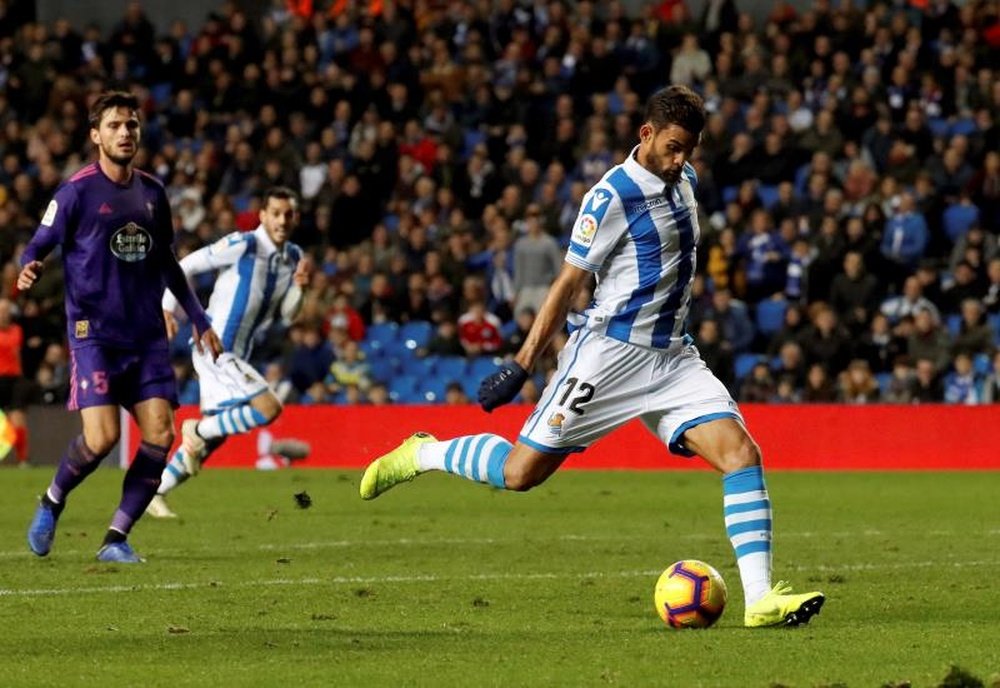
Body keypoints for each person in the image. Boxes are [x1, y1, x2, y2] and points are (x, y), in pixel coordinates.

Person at [359, 86, 824, 628]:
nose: (681, 161)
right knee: (519, 473)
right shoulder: (610, 198)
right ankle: (424, 454)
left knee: (742, 454)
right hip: (607, 359)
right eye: (673, 147)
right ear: (645, 134)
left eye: (689, 150)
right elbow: (568, 282)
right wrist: (523, 362)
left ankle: (761, 599)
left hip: (673, 359)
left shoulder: (686, 180)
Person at [19, 91, 222, 563]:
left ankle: (115, 538)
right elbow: (40, 242)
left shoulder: (152, 192)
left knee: (160, 434)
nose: (125, 133)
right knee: (102, 438)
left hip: (147, 333)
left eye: (131, 125)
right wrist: (30, 265)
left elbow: (168, 262)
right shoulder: (76, 193)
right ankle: (52, 500)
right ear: (96, 136)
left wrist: (200, 319)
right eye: (114, 126)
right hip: (96, 336)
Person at [146, 187, 310, 519]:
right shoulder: (244, 244)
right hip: (216, 345)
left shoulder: (292, 256)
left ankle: (155, 490)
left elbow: (289, 315)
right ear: (262, 215)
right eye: (275, 213)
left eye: (288, 214)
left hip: (238, 353)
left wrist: (299, 288)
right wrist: (166, 307)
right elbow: (188, 264)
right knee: (268, 408)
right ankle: (197, 430)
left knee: (214, 438)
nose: (281, 220)